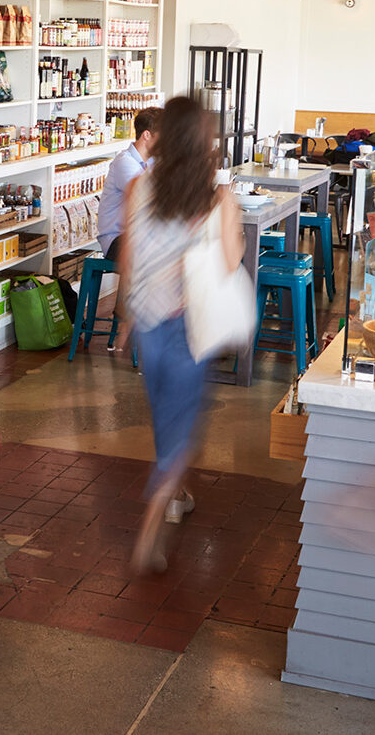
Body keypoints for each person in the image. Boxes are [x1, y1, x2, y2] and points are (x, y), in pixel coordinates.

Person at [115, 96, 243, 572]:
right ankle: (151, 526)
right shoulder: (216, 198)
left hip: (148, 320)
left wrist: (127, 317)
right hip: (191, 325)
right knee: (180, 426)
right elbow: (230, 264)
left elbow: (127, 258)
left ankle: (179, 492)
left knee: (167, 416)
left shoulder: (138, 187)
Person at [97, 106, 160, 262]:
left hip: (141, 235)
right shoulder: (124, 163)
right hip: (117, 240)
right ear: (147, 135)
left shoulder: (152, 162)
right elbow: (150, 199)